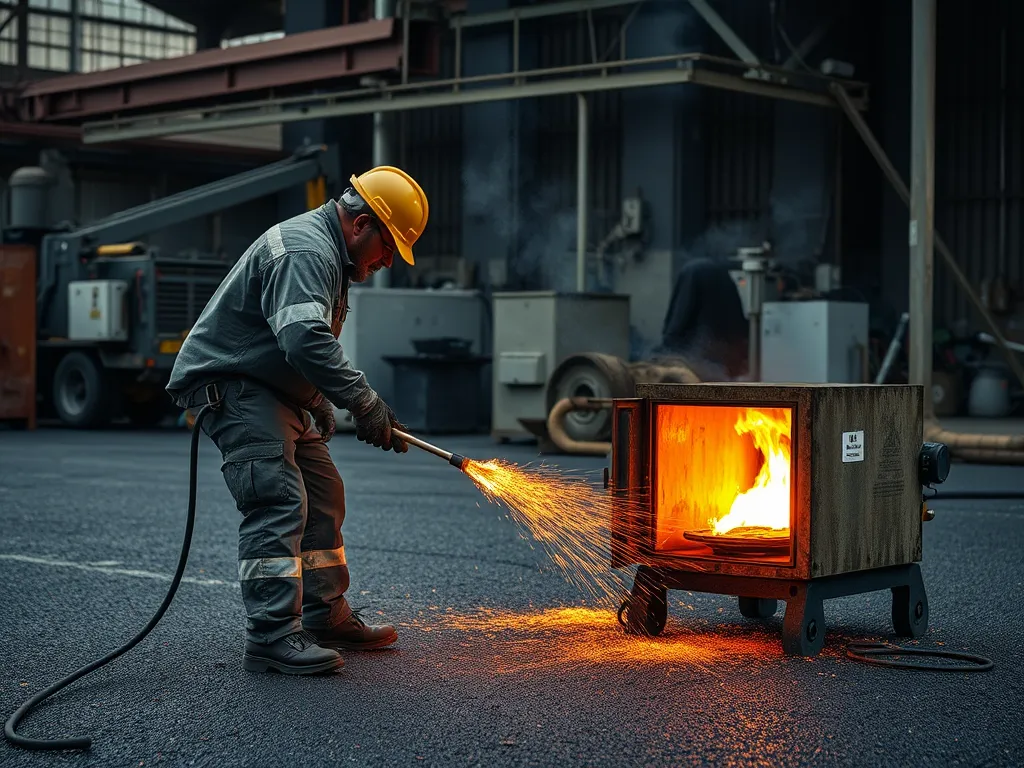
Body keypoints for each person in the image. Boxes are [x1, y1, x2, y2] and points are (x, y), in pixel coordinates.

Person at [166, 166, 429, 676]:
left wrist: (316, 399)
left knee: (324, 493)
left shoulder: (330, 254)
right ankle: (271, 635)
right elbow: (305, 338)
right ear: (360, 224)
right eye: (388, 247)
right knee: (278, 497)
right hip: (236, 386)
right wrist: (363, 402)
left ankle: (324, 616)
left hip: (270, 387)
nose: (387, 261)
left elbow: (292, 341)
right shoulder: (310, 251)